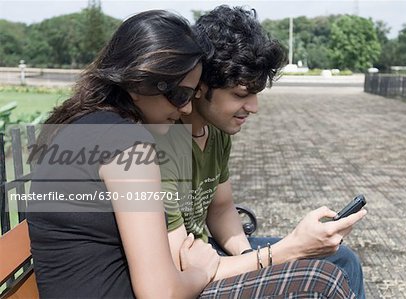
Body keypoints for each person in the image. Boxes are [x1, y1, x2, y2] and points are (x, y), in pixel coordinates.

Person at [26, 9, 356, 299]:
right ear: (143, 80)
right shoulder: (129, 144)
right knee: (319, 280)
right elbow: (161, 292)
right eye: (180, 94)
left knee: (332, 265)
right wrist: (204, 268)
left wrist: (224, 259)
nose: (185, 108)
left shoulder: (91, 124)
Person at [161, 5, 367, 298]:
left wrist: (248, 255)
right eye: (241, 95)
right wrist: (287, 250)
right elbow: (177, 265)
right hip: (191, 276)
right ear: (199, 84)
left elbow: (220, 208)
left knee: (344, 260)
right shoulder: (163, 142)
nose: (254, 108)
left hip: (211, 253)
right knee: (323, 278)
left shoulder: (217, 132)